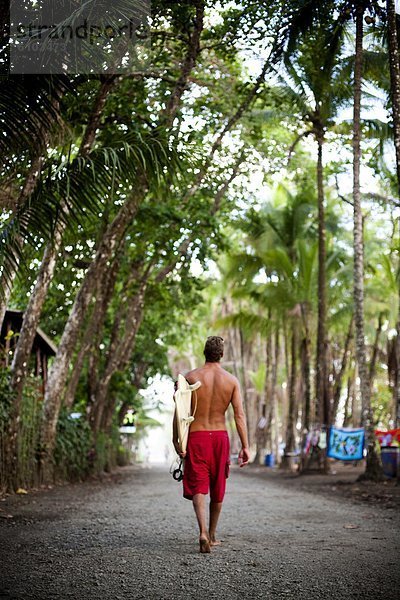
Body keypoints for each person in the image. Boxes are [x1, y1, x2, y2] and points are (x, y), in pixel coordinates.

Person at [172, 335, 250, 554]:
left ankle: (203, 531)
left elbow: (179, 411)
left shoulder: (189, 377)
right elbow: (239, 416)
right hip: (220, 437)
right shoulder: (231, 380)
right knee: (218, 484)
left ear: (204, 353)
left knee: (198, 484)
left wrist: (178, 441)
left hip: (196, 437)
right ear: (222, 355)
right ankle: (213, 535)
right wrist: (245, 446)